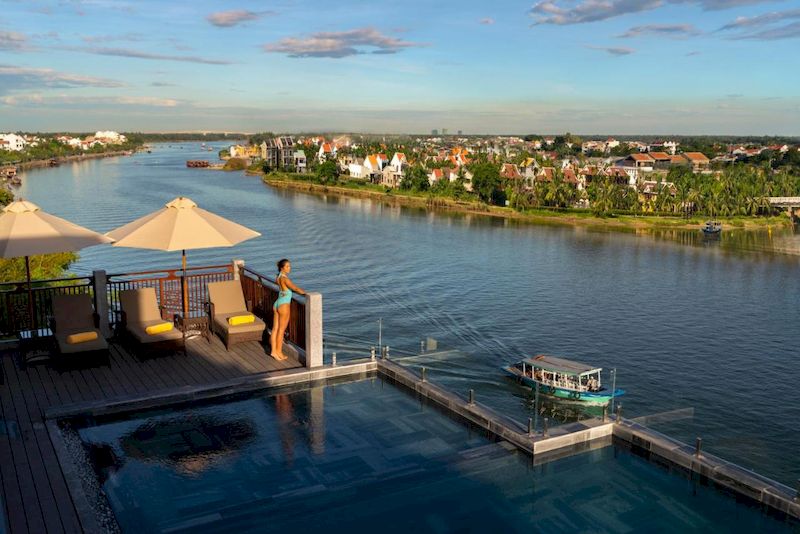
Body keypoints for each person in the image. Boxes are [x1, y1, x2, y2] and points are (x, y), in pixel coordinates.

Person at [270, 258, 306, 361]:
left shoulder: (278, 277)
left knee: (275, 329)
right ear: (282, 268)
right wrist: (305, 293)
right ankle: (279, 352)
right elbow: (295, 289)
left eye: (289, 266)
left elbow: (283, 288)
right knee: (281, 330)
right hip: (284, 305)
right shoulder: (285, 279)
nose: (289, 268)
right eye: (287, 266)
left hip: (277, 303)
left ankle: (273, 352)